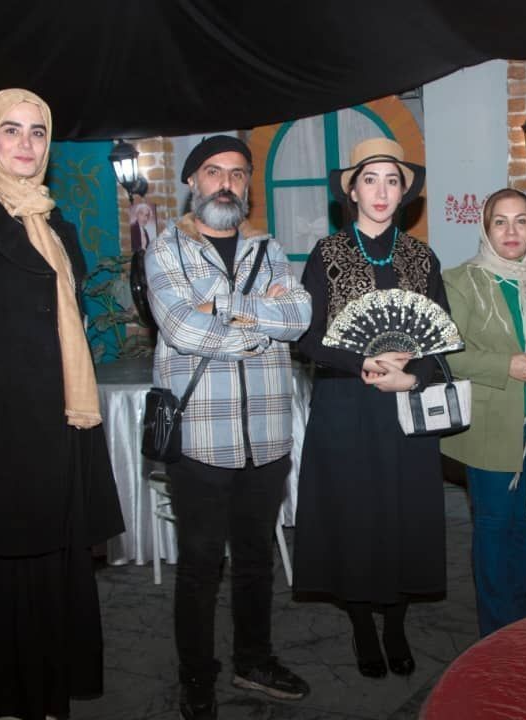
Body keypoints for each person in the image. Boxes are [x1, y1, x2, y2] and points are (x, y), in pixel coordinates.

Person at [0, 88, 125, 720]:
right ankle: (1, 701)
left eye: (37, 132)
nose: (26, 144)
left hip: (58, 424)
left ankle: (46, 697)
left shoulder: (56, 224)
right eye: (11, 130)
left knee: (51, 568)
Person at [143, 135, 312, 720]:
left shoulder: (271, 249)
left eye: (237, 174)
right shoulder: (165, 250)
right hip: (199, 438)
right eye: (213, 172)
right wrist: (258, 320)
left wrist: (223, 307)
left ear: (247, 186)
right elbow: (179, 328)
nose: (226, 184)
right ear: (192, 182)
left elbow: (299, 317)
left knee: (257, 559)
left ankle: (254, 660)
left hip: (267, 434)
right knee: (199, 566)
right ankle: (196, 676)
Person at [293, 137, 447, 679]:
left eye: (392, 181)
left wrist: (413, 376)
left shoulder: (421, 258)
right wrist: (361, 360)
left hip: (404, 404)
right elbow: (307, 337)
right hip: (345, 403)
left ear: (404, 193)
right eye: (370, 179)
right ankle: (361, 622)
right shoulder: (326, 254)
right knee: (352, 512)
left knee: (405, 511)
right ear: (353, 191)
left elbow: (443, 338)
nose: (381, 191)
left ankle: (396, 623)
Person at [440, 188, 526, 637]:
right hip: (492, 428)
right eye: (500, 221)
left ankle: (516, 614)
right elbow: (445, 353)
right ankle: (497, 631)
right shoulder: (461, 280)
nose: (511, 231)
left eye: (521, 221)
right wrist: (504, 365)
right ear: (485, 227)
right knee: (495, 530)